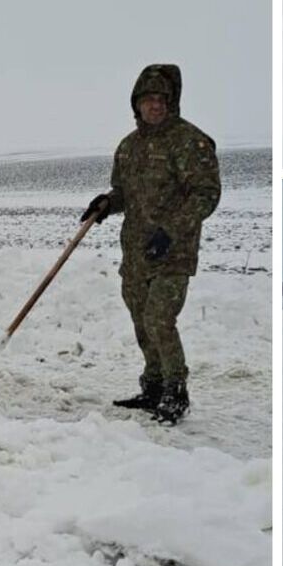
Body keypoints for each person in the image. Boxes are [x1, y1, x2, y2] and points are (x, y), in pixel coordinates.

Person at [82, 64, 221, 427]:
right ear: (137, 105)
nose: (155, 107)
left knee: (160, 319)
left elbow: (206, 194)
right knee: (141, 320)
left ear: (171, 102)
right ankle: (154, 386)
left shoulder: (191, 142)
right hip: (137, 252)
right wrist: (107, 204)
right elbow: (124, 193)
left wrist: (172, 229)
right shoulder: (128, 147)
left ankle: (176, 391)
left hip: (174, 250)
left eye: (161, 100)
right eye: (148, 100)